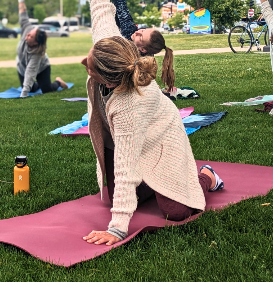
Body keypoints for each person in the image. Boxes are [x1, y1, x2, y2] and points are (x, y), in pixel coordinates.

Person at [80, 0, 224, 246]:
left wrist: (117, 229)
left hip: (162, 138)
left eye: (90, 68)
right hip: (122, 137)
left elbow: (126, 167)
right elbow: (101, 9)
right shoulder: (110, 48)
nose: (84, 63)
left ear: (109, 81)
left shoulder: (130, 105)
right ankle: (149, 182)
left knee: (177, 211)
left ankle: (207, 175)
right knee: (116, 198)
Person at [112, 0, 175, 93]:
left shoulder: (141, 64)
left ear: (142, 49)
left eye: (140, 37)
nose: (137, 32)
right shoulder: (132, 32)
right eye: (143, 30)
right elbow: (122, 10)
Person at [16, 0, 68, 98]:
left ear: (35, 42)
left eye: (30, 36)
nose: (27, 35)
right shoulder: (28, 29)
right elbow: (23, 15)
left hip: (42, 68)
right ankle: (38, 84)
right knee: (30, 88)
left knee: (47, 90)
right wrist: (21, 1)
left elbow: (30, 72)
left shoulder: (37, 54)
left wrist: (23, 94)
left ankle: (58, 82)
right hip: (22, 66)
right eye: (29, 33)